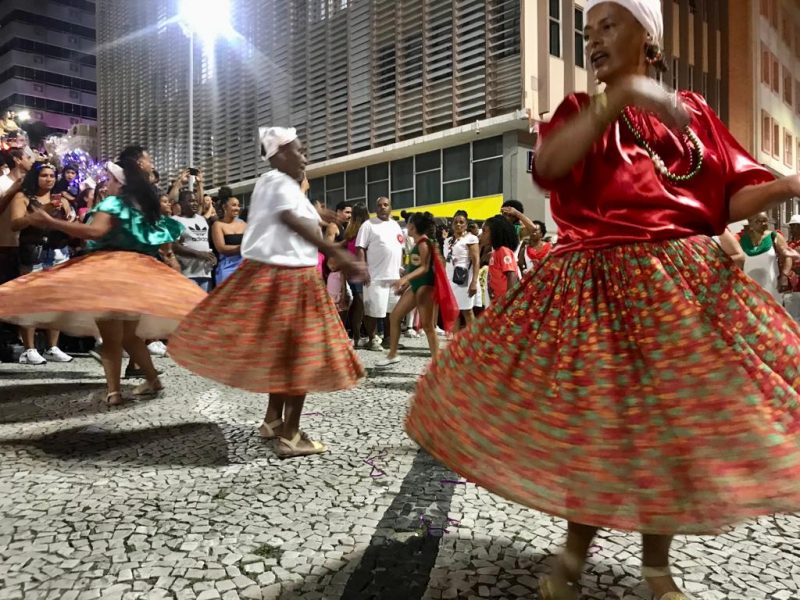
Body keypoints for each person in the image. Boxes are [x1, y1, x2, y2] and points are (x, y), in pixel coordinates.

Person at [405, 2, 800, 599]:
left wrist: (789, 184)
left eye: (609, 27)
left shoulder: (694, 114)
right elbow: (550, 167)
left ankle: (656, 569)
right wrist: (620, 100)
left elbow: (724, 199)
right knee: (604, 426)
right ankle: (570, 560)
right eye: (587, 33)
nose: (593, 41)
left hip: (680, 285)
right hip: (597, 286)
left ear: (652, 42)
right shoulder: (580, 113)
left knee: (666, 429)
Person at [168, 127, 367, 459]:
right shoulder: (277, 182)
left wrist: (322, 218)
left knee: (284, 352)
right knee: (303, 355)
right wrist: (343, 256)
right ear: (278, 155)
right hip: (292, 279)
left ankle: (274, 420)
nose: (305, 157)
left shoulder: (276, 185)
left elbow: (294, 217)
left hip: (279, 275)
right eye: (299, 151)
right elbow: (290, 220)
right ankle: (291, 434)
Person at [0, 147, 205, 404]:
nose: (106, 185)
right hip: (140, 273)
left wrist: (52, 222)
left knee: (111, 337)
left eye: (109, 180)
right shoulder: (143, 208)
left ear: (119, 182)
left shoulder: (113, 204)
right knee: (129, 335)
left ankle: (114, 392)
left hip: (111, 273)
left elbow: (95, 232)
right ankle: (152, 380)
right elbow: (162, 240)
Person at [9, 162, 74, 364]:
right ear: (35, 177)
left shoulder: (61, 199)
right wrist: (41, 212)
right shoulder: (24, 197)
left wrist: (70, 219)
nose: (49, 179)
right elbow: (15, 224)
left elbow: (69, 222)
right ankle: (29, 348)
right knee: (30, 300)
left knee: (57, 300)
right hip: (33, 251)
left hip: (57, 251)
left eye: (52, 175)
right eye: (44, 175)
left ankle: (53, 346)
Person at [377, 212, 457, 367]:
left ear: (412, 227)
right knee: (395, 316)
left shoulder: (423, 243)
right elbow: (416, 267)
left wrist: (404, 279)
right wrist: (406, 283)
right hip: (416, 287)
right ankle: (393, 354)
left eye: (408, 224)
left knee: (428, 327)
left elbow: (424, 267)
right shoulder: (419, 242)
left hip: (425, 288)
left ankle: (438, 362)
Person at [356, 196, 404, 351]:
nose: (382, 207)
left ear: (391, 207)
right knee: (373, 311)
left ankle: (388, 339)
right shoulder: (368, 225)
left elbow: (399, 248)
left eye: (386, 204)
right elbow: (360, 248)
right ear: (375, 208)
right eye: (379, 205)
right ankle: (372, 339)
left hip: (394, 276)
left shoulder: (395, 225)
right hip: (375, 276)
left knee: (393, 311)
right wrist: (363, 269)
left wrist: (401, 270)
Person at [741, 212, 792, 300]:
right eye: (759, 221)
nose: (764, 224)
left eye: (765, 221)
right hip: (749, 287)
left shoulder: (774, 236)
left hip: (772, 286)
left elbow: (788, 256)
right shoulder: (742, 239)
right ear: (750, 222)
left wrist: (784, 276)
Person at [171, 190, 216, 290]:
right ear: (181, 204)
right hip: (187, 274)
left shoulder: (202, 219)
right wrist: (200, 254)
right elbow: (174, 246)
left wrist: (211, 256)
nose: (195, 203)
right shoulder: (175, 220)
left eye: (196, 201)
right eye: (191, 201)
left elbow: (205, 243)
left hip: (206, 273)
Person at [444, 210, 480, 330]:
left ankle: (474, 342)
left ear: (466, 224)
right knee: (454, 312)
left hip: (464, 280)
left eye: (461, 222)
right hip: (450, 279)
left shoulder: (471, 239)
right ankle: (456, 342)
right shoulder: (447, 241)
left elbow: (476, 261)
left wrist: (474, 282)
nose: (458, 224)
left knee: (467, 311)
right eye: (456, 222)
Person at [343, 203, 369, 346]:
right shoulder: (367, 229)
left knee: (358, 305)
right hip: (362, 270)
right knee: (362, 304)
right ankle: (363, 336)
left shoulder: (350, 230)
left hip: (352, 271)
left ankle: (357, 336)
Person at [480, 215, 520, 303]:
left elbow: (511, 275)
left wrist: (508, 300)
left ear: (495, 233)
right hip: (496, 300)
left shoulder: (503, 251)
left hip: (504, 302)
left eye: (484, 231)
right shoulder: (495, 252)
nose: (481, 235)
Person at [212, 194, 246, 285]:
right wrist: (242, 248)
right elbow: (221, 248)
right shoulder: (218, 225)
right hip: (227, 268)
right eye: (234, 205)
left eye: (238, 206)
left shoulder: (244, 224)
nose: (237, 208)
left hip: (244, 267)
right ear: (224, 207)